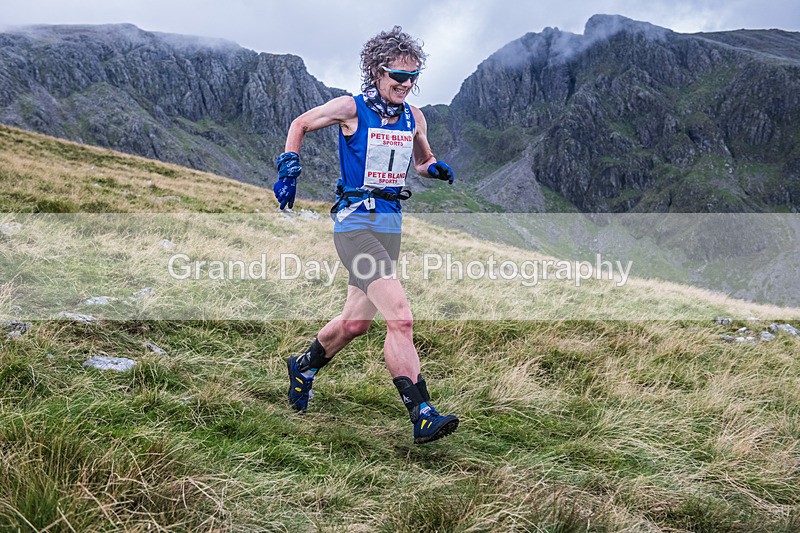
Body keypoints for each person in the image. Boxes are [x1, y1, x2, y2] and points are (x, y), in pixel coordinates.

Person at [273, 26, 458, 444]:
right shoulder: (351, 108)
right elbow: (301, 123)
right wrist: (289, 169)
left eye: (413, 77)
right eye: (398, 76)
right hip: (355, 224)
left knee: (355, 322)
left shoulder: (414, 116)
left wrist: (434, 168)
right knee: (401, 317)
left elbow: (422, 160)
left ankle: (303, 366)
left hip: (389, 225)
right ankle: (421, 412)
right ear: (377, 71)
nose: (406, 84)